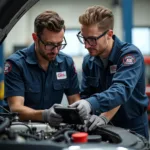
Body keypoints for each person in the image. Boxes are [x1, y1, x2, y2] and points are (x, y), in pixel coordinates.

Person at [69, 5, 149, 139]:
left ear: (109, 34)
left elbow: (120, 90)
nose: (86, 45)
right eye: (84, 38)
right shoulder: (89, 60)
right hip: (99, 125)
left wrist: (91, 104)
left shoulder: (129, 55)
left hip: (132, 126)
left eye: (92, 39)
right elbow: (86, 93)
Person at [4, 10, 80, 126]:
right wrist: (44, 115)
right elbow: (16, 108)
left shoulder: (66, 63)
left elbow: (75, 100)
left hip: (54, 129)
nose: (55, 50)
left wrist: (81, 112)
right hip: (22, 129)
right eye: (49, 44)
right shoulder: (16, 64)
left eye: (59, 44)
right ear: (35, 38)